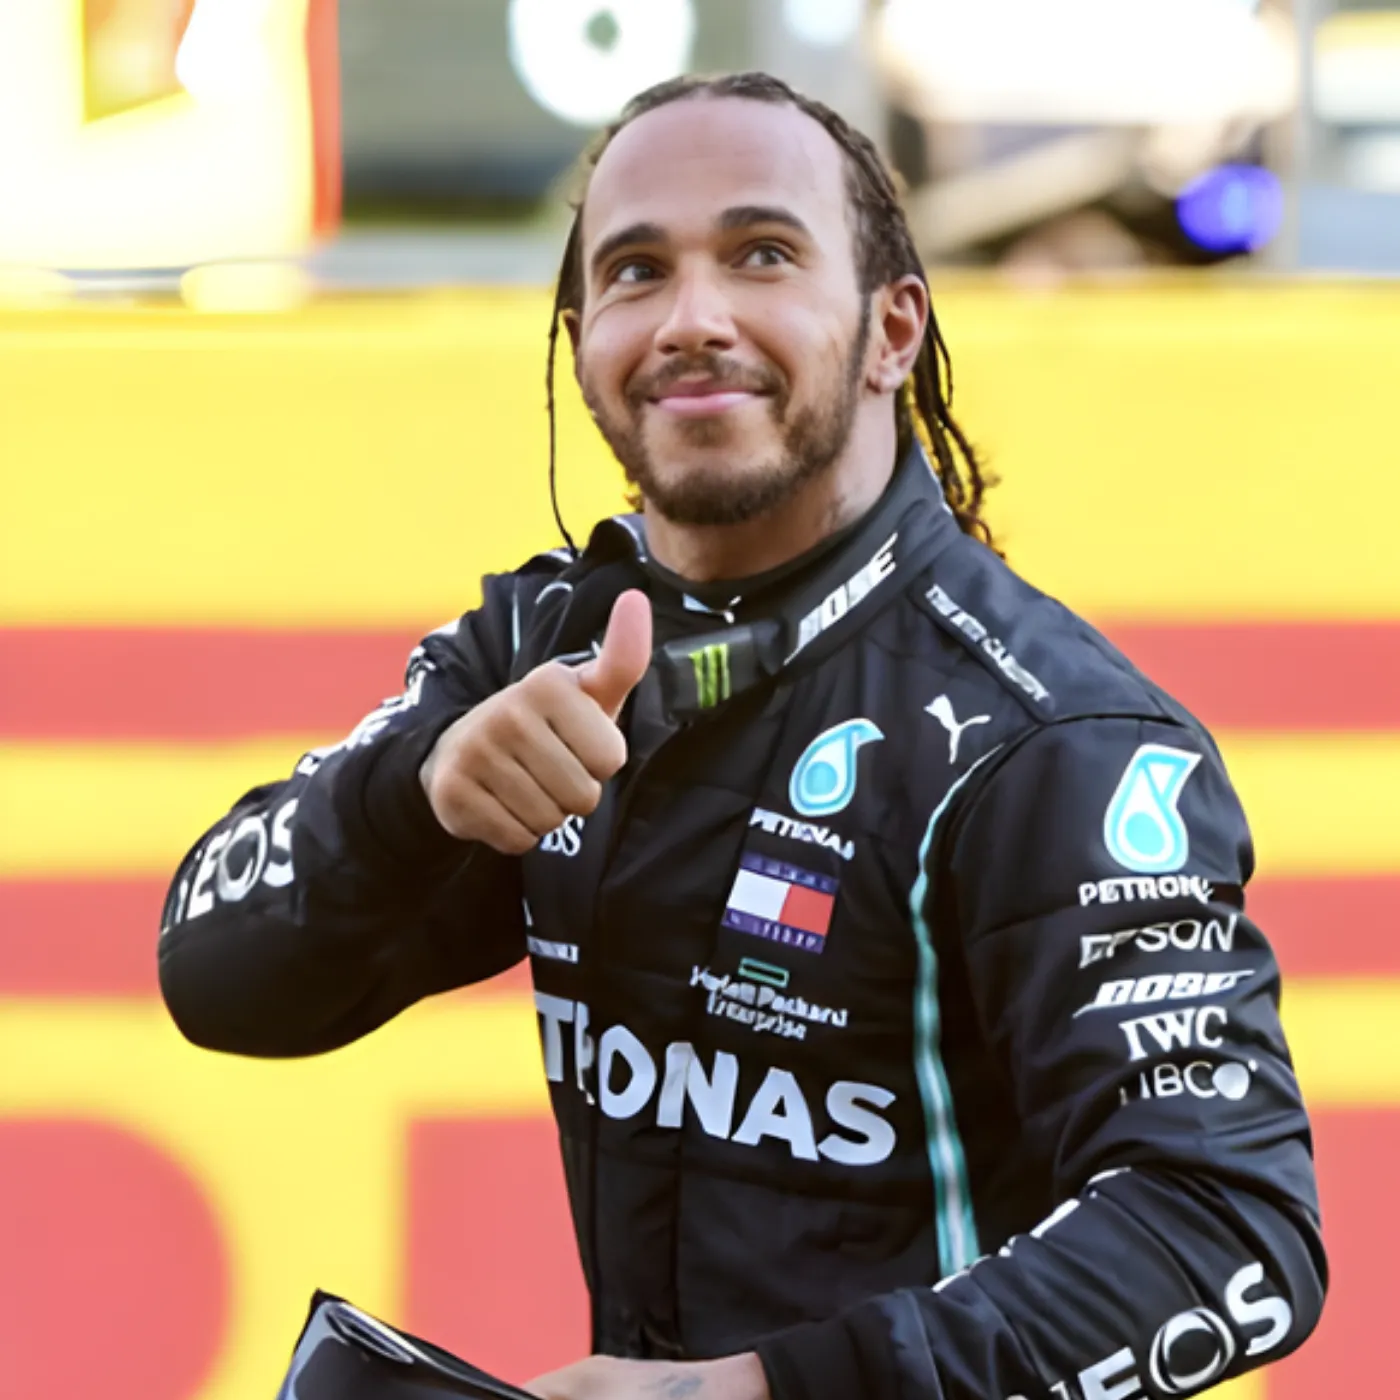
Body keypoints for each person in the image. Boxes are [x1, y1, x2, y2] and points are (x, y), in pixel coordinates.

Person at [158, 71, 1325, 1400]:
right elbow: (217, 980)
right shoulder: (535, 648)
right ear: (581, 340)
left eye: (762, 254)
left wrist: (762, 1391)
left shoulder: (1049, 738)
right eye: (637, 271)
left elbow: (1228, 1229)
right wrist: (410, 802)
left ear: (891, 330)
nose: (693, 319)